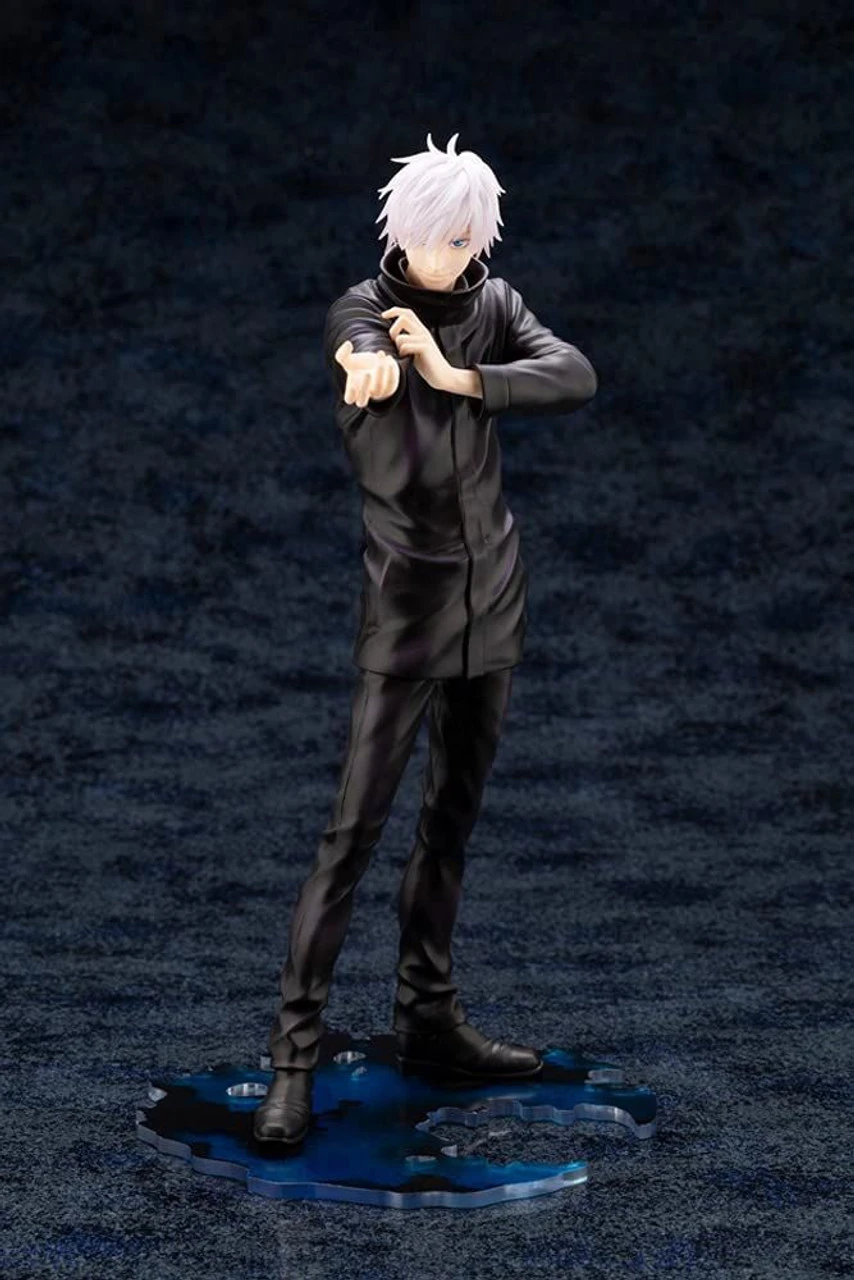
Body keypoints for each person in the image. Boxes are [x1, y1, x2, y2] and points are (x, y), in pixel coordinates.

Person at [255, 132, 598, 1144]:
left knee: (451, 819)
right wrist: (369, 367)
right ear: (403, 234)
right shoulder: (363, 309)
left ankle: (429, 1019)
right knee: (351, 835)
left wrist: (457, 378)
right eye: (444, 237)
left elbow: (573, 373)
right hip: (406, 609)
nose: (460, 253)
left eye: (469, 237)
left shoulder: (495, 306)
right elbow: (354, 346)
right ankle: (292, 1059)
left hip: (493, 597)